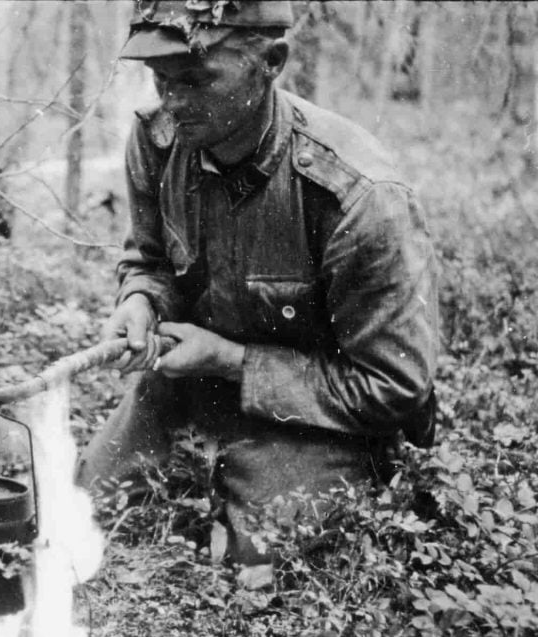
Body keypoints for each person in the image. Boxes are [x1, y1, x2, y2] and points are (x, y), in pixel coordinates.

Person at [77, 0, 438, 564]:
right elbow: (150, 258)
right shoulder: (157, 139)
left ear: (272, 61)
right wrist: (142, 299)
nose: (172, 102)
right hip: (195, 385)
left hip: (321, 417)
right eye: (160, 78)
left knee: (262, 554)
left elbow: (393, 386)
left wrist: (232, 361)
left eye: (195, 79)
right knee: (84, 503)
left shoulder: (359, 197)